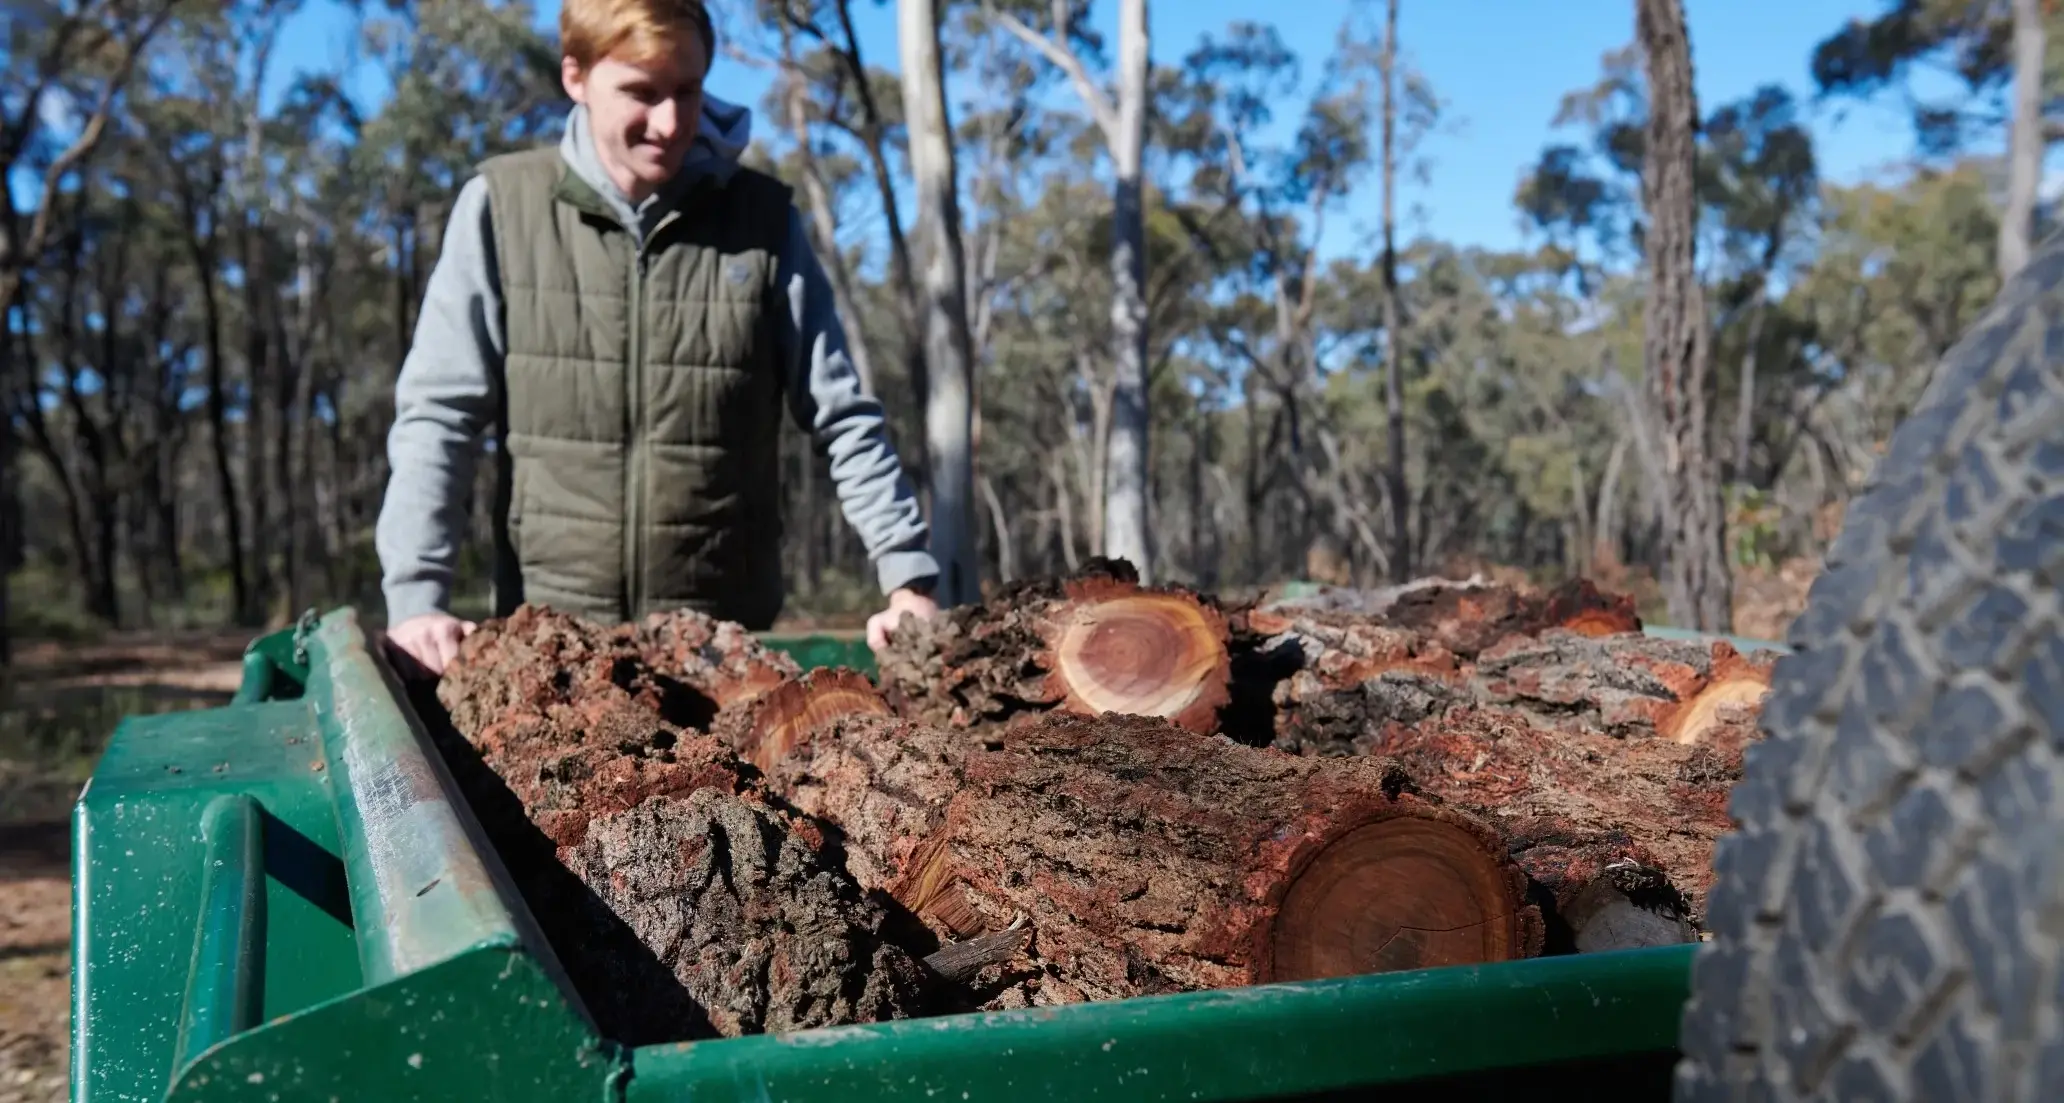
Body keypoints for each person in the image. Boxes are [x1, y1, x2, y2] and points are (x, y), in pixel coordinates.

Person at [373, 0, 939, 676]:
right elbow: (441, 416)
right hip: (547, 651)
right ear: (575, 76)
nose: (670, 123)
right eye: (641, 93)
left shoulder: (763, 222)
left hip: (728, 656)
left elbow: (842, 415)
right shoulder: (502, 208)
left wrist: (908, 578)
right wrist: (416, 599)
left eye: (688, 91)